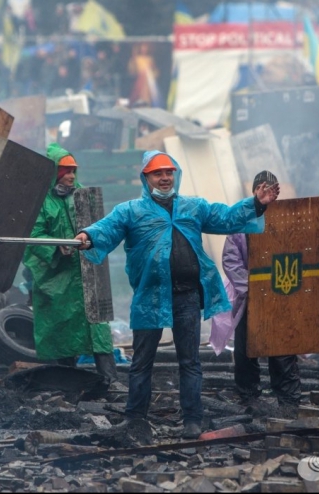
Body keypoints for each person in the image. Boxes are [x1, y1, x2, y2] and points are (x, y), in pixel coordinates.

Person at [75, 151, 280, 438]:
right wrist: (87, 236)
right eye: (157, 173)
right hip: (150, 297)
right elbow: (105, 229)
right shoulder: (130, 211)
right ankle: (135, 418)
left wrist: (256, 204)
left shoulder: (194, 207)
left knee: (190, 361)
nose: (164, 178)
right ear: (146, 178)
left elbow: (227, 217)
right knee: (141, 362)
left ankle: (192, 420)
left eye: (169, 172)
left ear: (176, 175)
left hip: (187, 297)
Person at [23, 143, 117, 382]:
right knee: (63, 329)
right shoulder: (40, 201)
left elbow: (101, 228)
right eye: (65, 171)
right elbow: (33, 235)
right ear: (54, 172)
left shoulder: (85, 196)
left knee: (98, 328)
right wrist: (56, 246)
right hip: (59, 280)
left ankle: (110, 380)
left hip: (88, 275)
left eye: (73, 170)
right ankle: (68, 382)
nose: (71, 176)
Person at [213, 171, 302, 407]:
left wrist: (279, 290)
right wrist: (252, 288)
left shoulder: (284, 222)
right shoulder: (241, 223)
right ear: (254, 191)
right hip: (250, 298)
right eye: (262, 189)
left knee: (282, 348)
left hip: (280, 297)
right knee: (246, 349)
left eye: (271, 190)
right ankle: (249, 396)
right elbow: (231, 260)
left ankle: (287, 397)